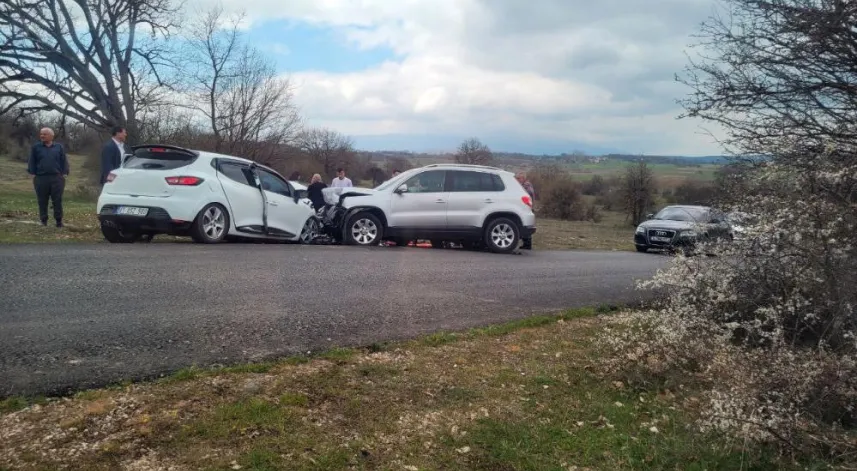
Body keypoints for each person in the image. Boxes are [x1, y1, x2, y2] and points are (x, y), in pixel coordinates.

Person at [27, 127, 69, 227]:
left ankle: (59, 221)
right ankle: (43, 220)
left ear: (51, 136)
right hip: (41, 178)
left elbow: (64, 161)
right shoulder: (36, 147)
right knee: (42, 200)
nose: (42, 136)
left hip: (56, 178)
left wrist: (64, 173)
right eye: (41, 134)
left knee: (57, 200)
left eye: (45, 134)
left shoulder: (59, 147)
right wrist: (32, 173)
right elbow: (32, 161)